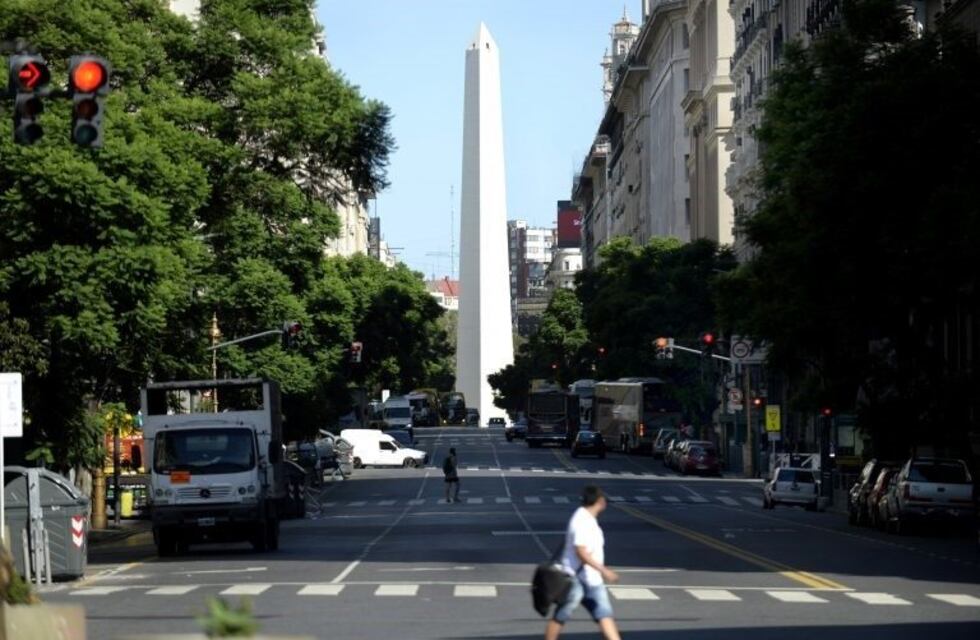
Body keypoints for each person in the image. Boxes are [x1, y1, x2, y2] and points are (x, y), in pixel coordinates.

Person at [545, 485, 621, 640]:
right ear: (600, 501)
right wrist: (604, 570)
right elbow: (581, 552)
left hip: (592, 580)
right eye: (604, 499)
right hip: (576, 579)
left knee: (604, 614)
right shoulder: (581, 520)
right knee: (561, 615)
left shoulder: (589, 519)